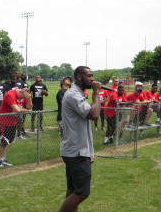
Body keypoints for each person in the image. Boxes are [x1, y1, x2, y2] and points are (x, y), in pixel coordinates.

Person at [59, 66, 101, 212]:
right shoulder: (73, 94)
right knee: (82, 193)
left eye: (92, 75)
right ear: (79, 77)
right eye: (89, 76)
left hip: (76, 150)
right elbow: (94, 114)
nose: (92, 79)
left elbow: (89, 111)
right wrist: (96, 92)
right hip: (77, 151)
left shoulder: (77, 94)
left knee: (72, 189)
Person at [0, 88, 32, 167]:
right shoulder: (10, 94)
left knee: (8, 141)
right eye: (22, 98)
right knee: (4, 141)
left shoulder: (23, 96)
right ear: (21, 92)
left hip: (13, 121)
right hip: (4, 120)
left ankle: (2, 159)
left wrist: (29, 99)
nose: (22, 100)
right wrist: (27, 111)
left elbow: (29, 107)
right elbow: (17, 109)